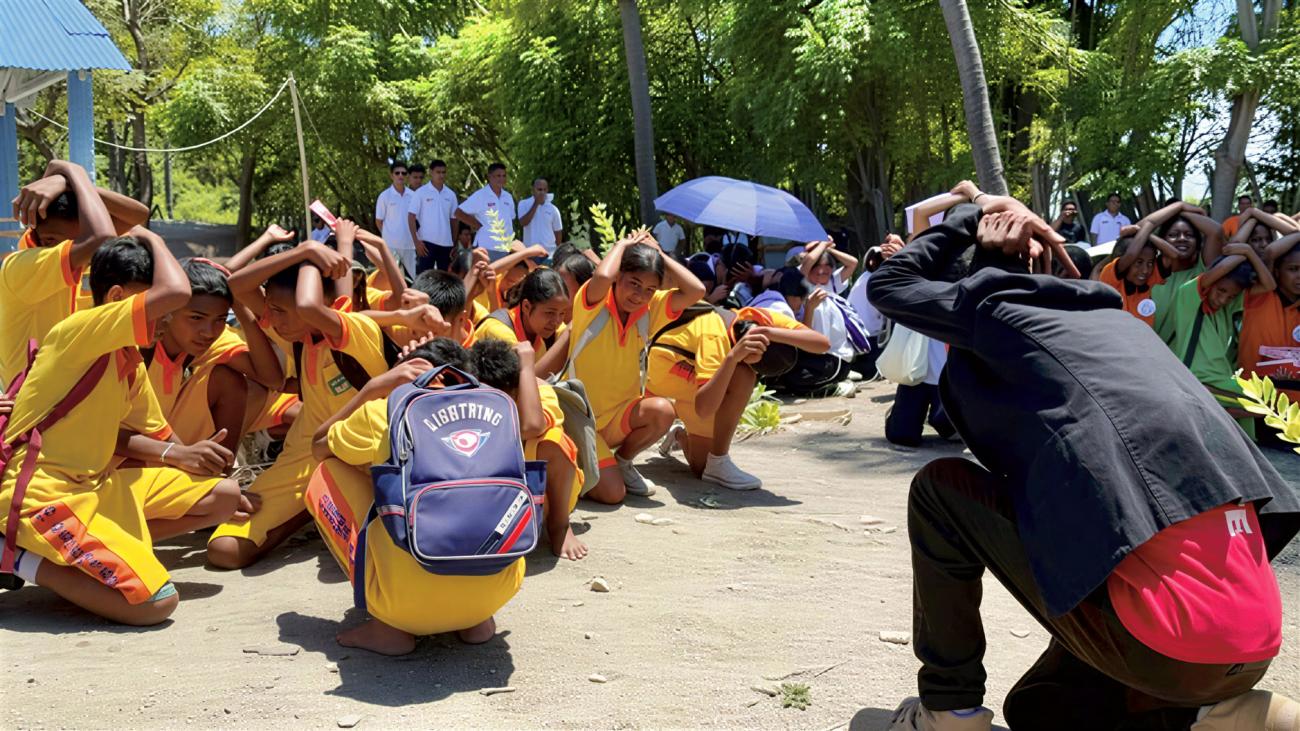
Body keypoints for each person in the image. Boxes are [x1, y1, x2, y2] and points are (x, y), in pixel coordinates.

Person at [869, 181, 1300, 731]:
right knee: (1043, 705)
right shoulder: (1120, 327)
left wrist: (977, 212)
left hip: (1166, 645)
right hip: (1252, 644)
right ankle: (1222, 710)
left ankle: (949, 712)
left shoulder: (998, 311)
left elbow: (891, 282)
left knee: (941, 491)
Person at [0, 231, 243, 625]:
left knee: (225, 496)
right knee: (155, 604)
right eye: (157, 306)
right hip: (44, 494)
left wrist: (192, 458)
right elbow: (177, 292)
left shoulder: (128, 357)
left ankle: (87, 555)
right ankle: (19, 558)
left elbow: (157, 438)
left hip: (95, 486)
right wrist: (150, 236)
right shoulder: (79, 331)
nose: (167, 319)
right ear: (115, 299)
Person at [209, 227, 435, 569]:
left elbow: (307, 305)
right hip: (304, 456)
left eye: (281, 311)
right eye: (271, 309)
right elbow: (236, 285)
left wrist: (312, 254)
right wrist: (303, 252)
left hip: (358, 461)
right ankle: (311, 507)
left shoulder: (354, 331)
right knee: (224, 549)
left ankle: (320, 502)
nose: (274, 320)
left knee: (382, 553)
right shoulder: (297, 336)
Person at [306, 339, 523, 655]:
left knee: (326, 471)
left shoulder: (381, 413)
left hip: (404, 608)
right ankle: (474, 619)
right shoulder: (499, 411)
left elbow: (317, 445)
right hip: (497, 592)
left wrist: (373, 388)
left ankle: (389, 628)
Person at [562, 231, 705, 502]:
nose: (640, 295)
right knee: (613, 495)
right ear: (619, 277)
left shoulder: (650, 310)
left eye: (650, 289)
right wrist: (623, 244)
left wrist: (659, 253)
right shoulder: (593, 300)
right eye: (634, 284)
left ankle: (622, 461)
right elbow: (602, 277)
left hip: (619, 418)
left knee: (663, 410)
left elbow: (696, 290)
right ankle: (581, 463)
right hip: (581, 419)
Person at [2, 159, 149, 387]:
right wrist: (72, 171)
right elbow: (103, 237)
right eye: (53, 239)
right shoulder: (25, 264)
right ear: (37, 230)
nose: (75, 247)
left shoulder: (72, 256)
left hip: (68, 394)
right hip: (36, 403)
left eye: (77, 240)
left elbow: (138, 215)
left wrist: (66, 183)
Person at [650, 305, 829, 490]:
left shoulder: (761, 319)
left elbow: (823, 344)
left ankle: (680, 435)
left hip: (697, 378)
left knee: (700, 468)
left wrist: (767, 332)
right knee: (743, 376)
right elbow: (704, 409)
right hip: (665, 374)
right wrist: (733, 358)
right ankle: (718, 461)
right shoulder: (714, 337)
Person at [141, 258, 284, 451]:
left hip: (166, 442)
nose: (208, 332)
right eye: (196, 318)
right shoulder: (141, 346)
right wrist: (179, 455)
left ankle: (218, 473)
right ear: (169, 309)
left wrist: (240, 308)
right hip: (125, 454)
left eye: (220, 319)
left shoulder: (210, 339)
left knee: (229, 380)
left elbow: (272, 380)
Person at [471, 339, 586, 560]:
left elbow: (532, 427)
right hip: (494, 491)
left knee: (552, 442)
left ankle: (559, 526)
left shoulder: (540, 391)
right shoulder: (469, 392)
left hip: (541, 495)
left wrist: (526, 366)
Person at [1169, 244, 1275, 438]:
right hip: (1198, 377)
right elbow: (1218, 272)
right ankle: (1206, 405)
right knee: (1265, 403)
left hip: (1223, 380)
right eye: (1221, 291)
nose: (1223, 299)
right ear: (1210, 282)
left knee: (1261, 406)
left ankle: (1209, 408)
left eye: (1231, 296)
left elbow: (1269, 285)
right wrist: (1241, 253)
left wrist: (1248, 252)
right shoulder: (1188, 297)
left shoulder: (1227, 307)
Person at [1238, 232, 1300, 407]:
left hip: (1294, 405)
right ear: (1277, 271)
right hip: (1254, 401)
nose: (1299, 276)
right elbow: (1271, 252)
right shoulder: (1261, 295)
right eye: (1293, 269)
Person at [473, 267, 569, 376]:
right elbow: (521, 385)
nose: (557, 321)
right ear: (526, 306)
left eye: (562, 313)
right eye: (550, 313)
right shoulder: (499, 333)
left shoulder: (539, 342)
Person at [405, 159, 458, 275]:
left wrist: (454, 243)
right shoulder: (421, 192)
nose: (441, 175)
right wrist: (416, 241)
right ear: (431, 172)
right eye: (438, 172)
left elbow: (454, 220)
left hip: (446, 244)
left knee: (444, 279)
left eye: (443, 172)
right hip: (426, 244)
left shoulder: (451, 195)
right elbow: (411, 217)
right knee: (423, 278)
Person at [455, 163, 516, 250]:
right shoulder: (480, 195)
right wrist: (478, 225)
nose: (502, 179)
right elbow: (458, 213)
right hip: (487, 245)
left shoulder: (508, 197)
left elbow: (511, 218)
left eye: (504, 176)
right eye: (498, 176)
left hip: (506, 246)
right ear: (489, 176)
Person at [374, 161, 412, 263]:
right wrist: (388, 236)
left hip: (410, 246)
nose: (400, 175)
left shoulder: (414, 196)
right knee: (392, 278)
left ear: (407, 176)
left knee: (411, 278)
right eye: (397, 173)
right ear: (391, 175)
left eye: (403, 173)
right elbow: (378, 221)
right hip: (391, 247)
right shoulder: (384, 196)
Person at [516, 178, 563, 255]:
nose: (542, 192)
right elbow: (523, 222)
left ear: (547, 190)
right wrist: (536, 203)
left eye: (544, 189)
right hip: (529, 252)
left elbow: (558, 232)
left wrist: (557, 252)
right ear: (533, 190)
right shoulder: (523, 204)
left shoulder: (553, 209)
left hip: (549, 254)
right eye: (539, 189)